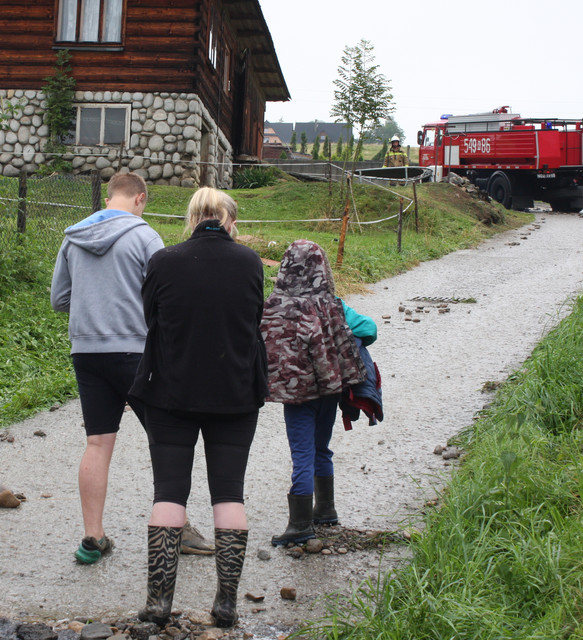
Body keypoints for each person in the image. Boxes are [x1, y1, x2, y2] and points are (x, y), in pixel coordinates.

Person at [51, 172, 214, 564]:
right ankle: (179, 529)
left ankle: (93, 538)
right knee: (165, 438)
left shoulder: (73, 237)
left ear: (109, 198)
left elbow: (59, 299)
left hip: (86, 353)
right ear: (140, 198)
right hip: (136, 353)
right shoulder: (144, 236)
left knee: (97, 442)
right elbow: (167, 297)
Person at [130, 187, 267, 628]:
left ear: (191, 219)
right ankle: (226, 604)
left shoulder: (163, 262)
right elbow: (253, 317)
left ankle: (158, 605)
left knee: (168, 491)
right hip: (235, 395)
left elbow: (152, 318)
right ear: (229, 221)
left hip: (172, 393)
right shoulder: (249, 263)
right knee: (229, 492)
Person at [260, 240, 376, 547]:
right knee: (321, 448)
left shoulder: (273, 306)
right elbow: (370, 329)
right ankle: (325, 509)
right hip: (329, 390)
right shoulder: (333, 304)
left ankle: (299, 525)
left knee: (302, 454)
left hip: (296, 396)